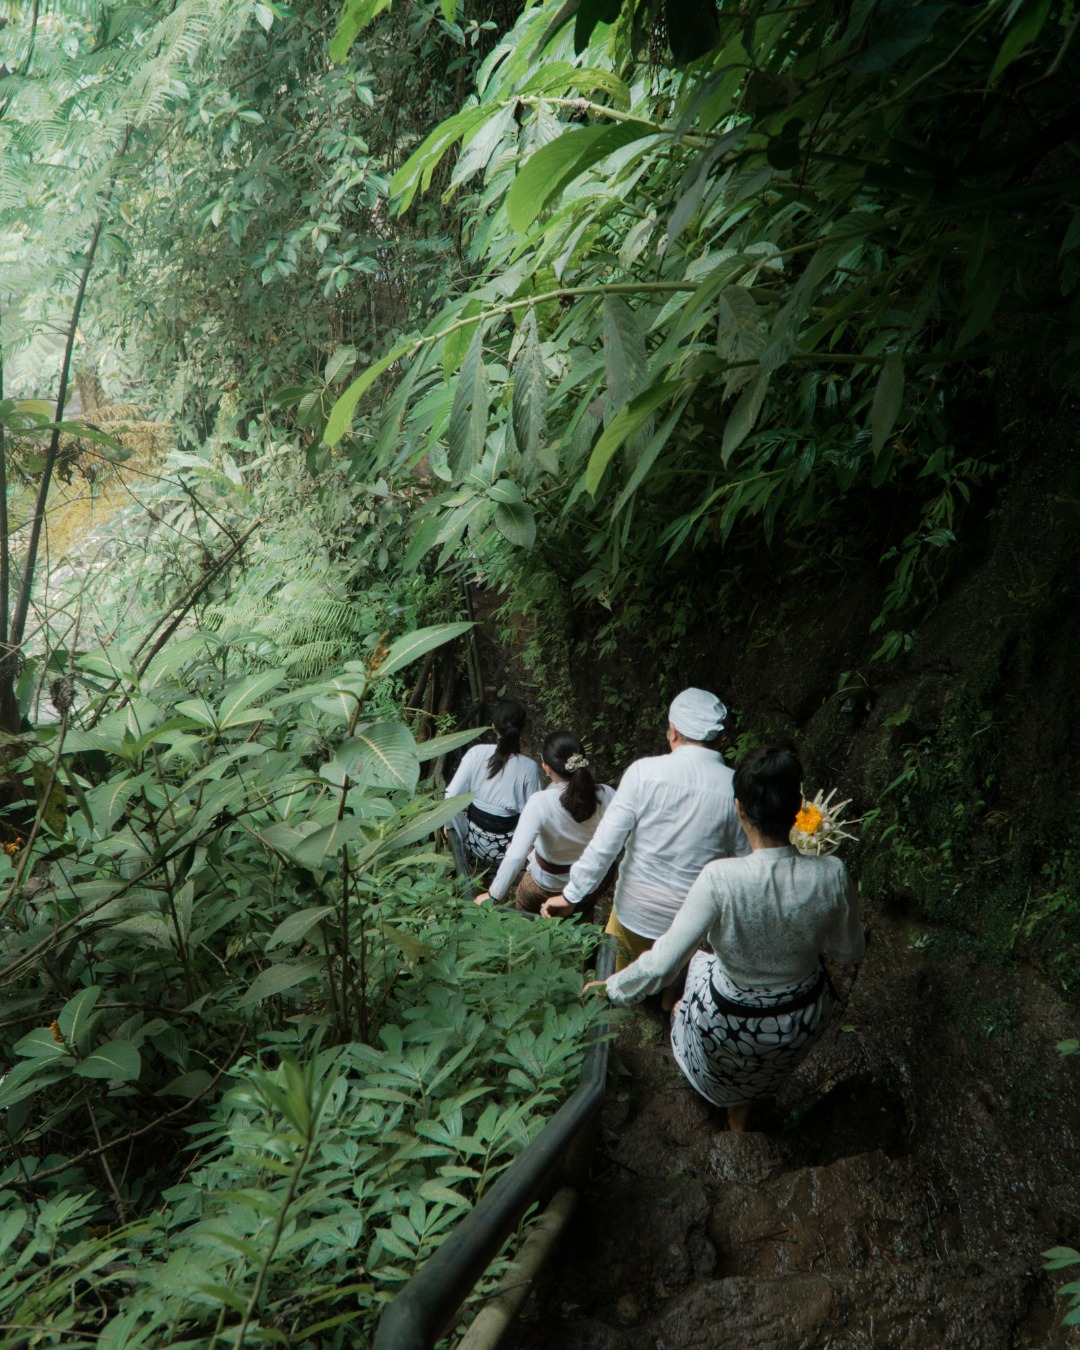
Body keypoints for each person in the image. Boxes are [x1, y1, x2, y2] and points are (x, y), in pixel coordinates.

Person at [584, 747, 866, 1132]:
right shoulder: (832, 872)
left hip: (733, 1022)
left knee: (692, 986)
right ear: (800, 808)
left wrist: (611, 988)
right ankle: (743, 1111)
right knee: (749, 1033)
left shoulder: (720, 879)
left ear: (739, 809)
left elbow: (663, 962)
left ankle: (722, 1090)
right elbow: (849, 952)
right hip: (802, 1017)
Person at [541, 688, 748, 972]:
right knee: (674, 982)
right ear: (717, 738)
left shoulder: (645, 773)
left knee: (620, 980)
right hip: (692, 921)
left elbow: (606, 843)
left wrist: (572, 895)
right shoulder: (736, 788)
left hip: (634, 911)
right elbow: (742, 862)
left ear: (673, 731)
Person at [474, 732, 615, 913]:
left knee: (526, 906)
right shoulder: (608, 794)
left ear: (546, 768)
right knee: (583, 908)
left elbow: (516, 855)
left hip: (550, 883)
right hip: (593, 879)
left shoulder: (540, 803)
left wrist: (493, 894)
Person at [444, 698, 542, 869]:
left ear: (493, 727)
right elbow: (535, 814)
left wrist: (451, 825)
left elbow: (451, 795)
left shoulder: (476, 753)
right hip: (506, 851)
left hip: (471, 841)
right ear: (522, 728)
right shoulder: (529, 768)